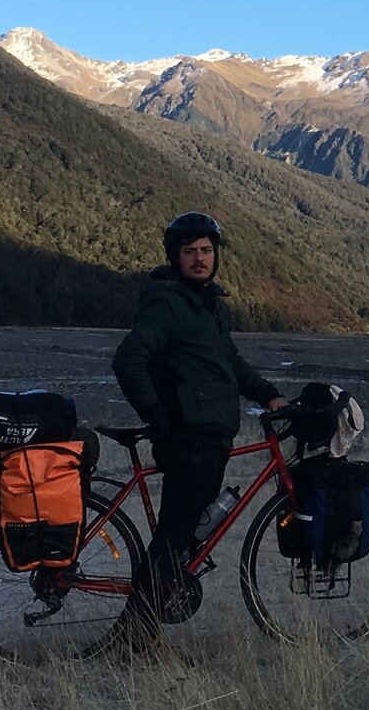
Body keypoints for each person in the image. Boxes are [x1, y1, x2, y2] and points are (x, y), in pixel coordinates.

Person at [111, 210, 286, 626]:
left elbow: (231, 364)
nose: (199, 258)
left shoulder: (204, 304)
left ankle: (144, 632)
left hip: (209, 436)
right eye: (189, 251)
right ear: (175, 256)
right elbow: (128, 358)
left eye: (206, 250)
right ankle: (134, 639)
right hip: (191, 438)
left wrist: (271, 396)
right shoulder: (170, 303)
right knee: (172, 542)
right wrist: (159, 416)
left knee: (182, 537)